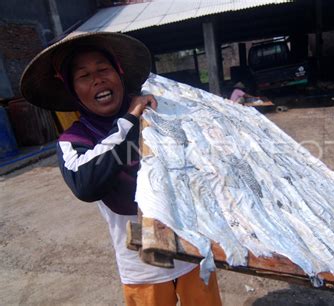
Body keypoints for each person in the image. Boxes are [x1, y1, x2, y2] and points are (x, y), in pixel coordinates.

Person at [20, 32, 222, 306]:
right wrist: (129, 120)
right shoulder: (75, 141)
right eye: (83, 76)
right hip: (143, 268)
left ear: (119, 73)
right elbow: (86, 185)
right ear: (73, 90)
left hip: (192, 251)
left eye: (103, 69)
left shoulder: (157, 111)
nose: (97, 79)